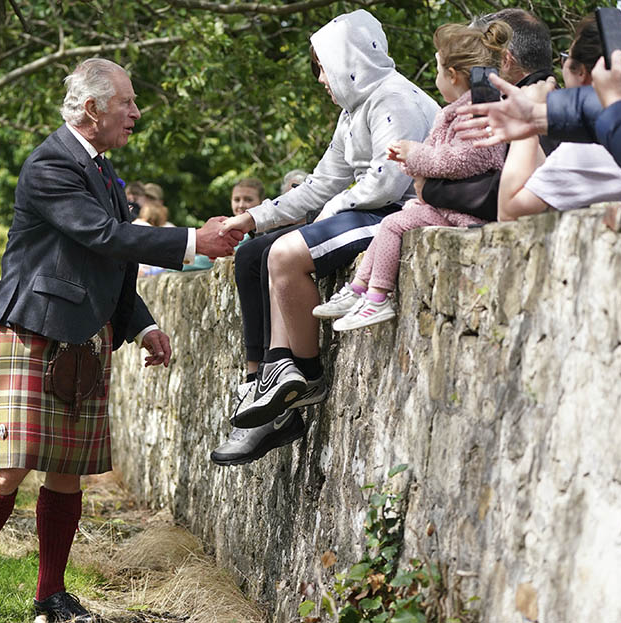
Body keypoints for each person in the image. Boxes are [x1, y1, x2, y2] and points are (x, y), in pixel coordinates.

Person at [0, 57, 241, 622]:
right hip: (31, 329)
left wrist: (143, 323)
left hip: (85, 336)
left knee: (67, 470)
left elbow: (110, 263)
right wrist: (192, 241)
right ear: (91, 108)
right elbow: (101, 236)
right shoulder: (51, 164)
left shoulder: (104, 173)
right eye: (126, 102)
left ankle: (50, 594)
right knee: (8, 467)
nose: (136, 112)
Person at [214, 9, 439, 438]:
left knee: (285, 253)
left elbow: (390, 181)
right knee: (253, 253)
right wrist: (253, 218)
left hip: (401, 212)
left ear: (347, 62)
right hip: (369, 208)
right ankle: (266, 377)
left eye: (323, 68)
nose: (321, 80)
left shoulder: (392, 98)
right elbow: (320, 183)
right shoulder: (352, 113)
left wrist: (334, 207)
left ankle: (306, 375)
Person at [314, 20, 511, 331]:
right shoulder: (459, 110)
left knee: (391, 225)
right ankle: (359, 289)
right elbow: (437, 154)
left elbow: (466, 160)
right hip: (444, 204)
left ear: (452, 75)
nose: (434, 79)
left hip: (464, 209)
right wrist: (410, 161)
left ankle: (377, 296)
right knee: (391, 225)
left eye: (436, 70)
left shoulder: (477, 112)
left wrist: (415, 156)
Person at [456, 50, 621, 203]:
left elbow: (509, 210)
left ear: (584, 71)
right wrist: (540, 114)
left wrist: (615, 103)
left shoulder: (578, 151)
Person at [497, 15, 621, 221]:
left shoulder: (588, 146)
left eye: (566, 57)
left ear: (582, 72)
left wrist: (527, 120)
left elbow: (509, 213)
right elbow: (541, 181)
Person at [420, 8, 557, 221]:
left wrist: (431, 189)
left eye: (477, 54)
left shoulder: (534, 106)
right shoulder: (563, 103)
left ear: (504, 60)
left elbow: (509, 191)